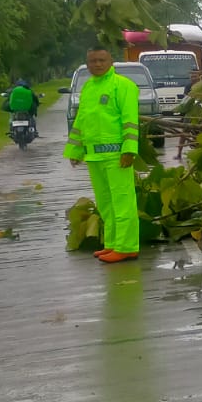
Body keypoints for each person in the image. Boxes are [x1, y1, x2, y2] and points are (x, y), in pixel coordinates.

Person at [64, 46, 141, 264]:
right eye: (93, 61)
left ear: (111, 61)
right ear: (87, 64)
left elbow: (130, 120)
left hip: (117, 156)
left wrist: (129, 150)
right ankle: (114, 244)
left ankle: (127, 247)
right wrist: (76, 150)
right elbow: (81, 122)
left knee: (122, 202)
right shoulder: (88, 87)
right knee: (106, 204)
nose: (97, 64)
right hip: (94, 157)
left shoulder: (123, 86)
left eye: (102, 60)